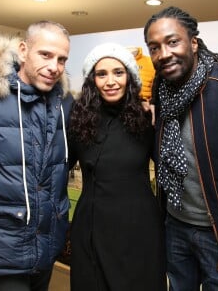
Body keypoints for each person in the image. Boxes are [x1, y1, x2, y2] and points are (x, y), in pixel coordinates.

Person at [144, 6, 218, 290]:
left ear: (193, 42)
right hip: (175, 225)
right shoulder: (160, 90)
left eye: (173, 42)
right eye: (154, 47)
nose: (164, 53)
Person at [0, 20, 74, 291]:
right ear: (23, 51)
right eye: (45, 54)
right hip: (1, 243)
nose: (54, 66)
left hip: (46, 244)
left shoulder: (63, 102)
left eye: (62, 59)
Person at [68, 43, 167, 290]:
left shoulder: (148, 118)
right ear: (92, 80)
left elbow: (171, 169)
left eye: (118, 73)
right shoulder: (78, 120)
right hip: (91, 229)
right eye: (102, 74)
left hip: (139, 231)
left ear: (130, 77)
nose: (110, 81)